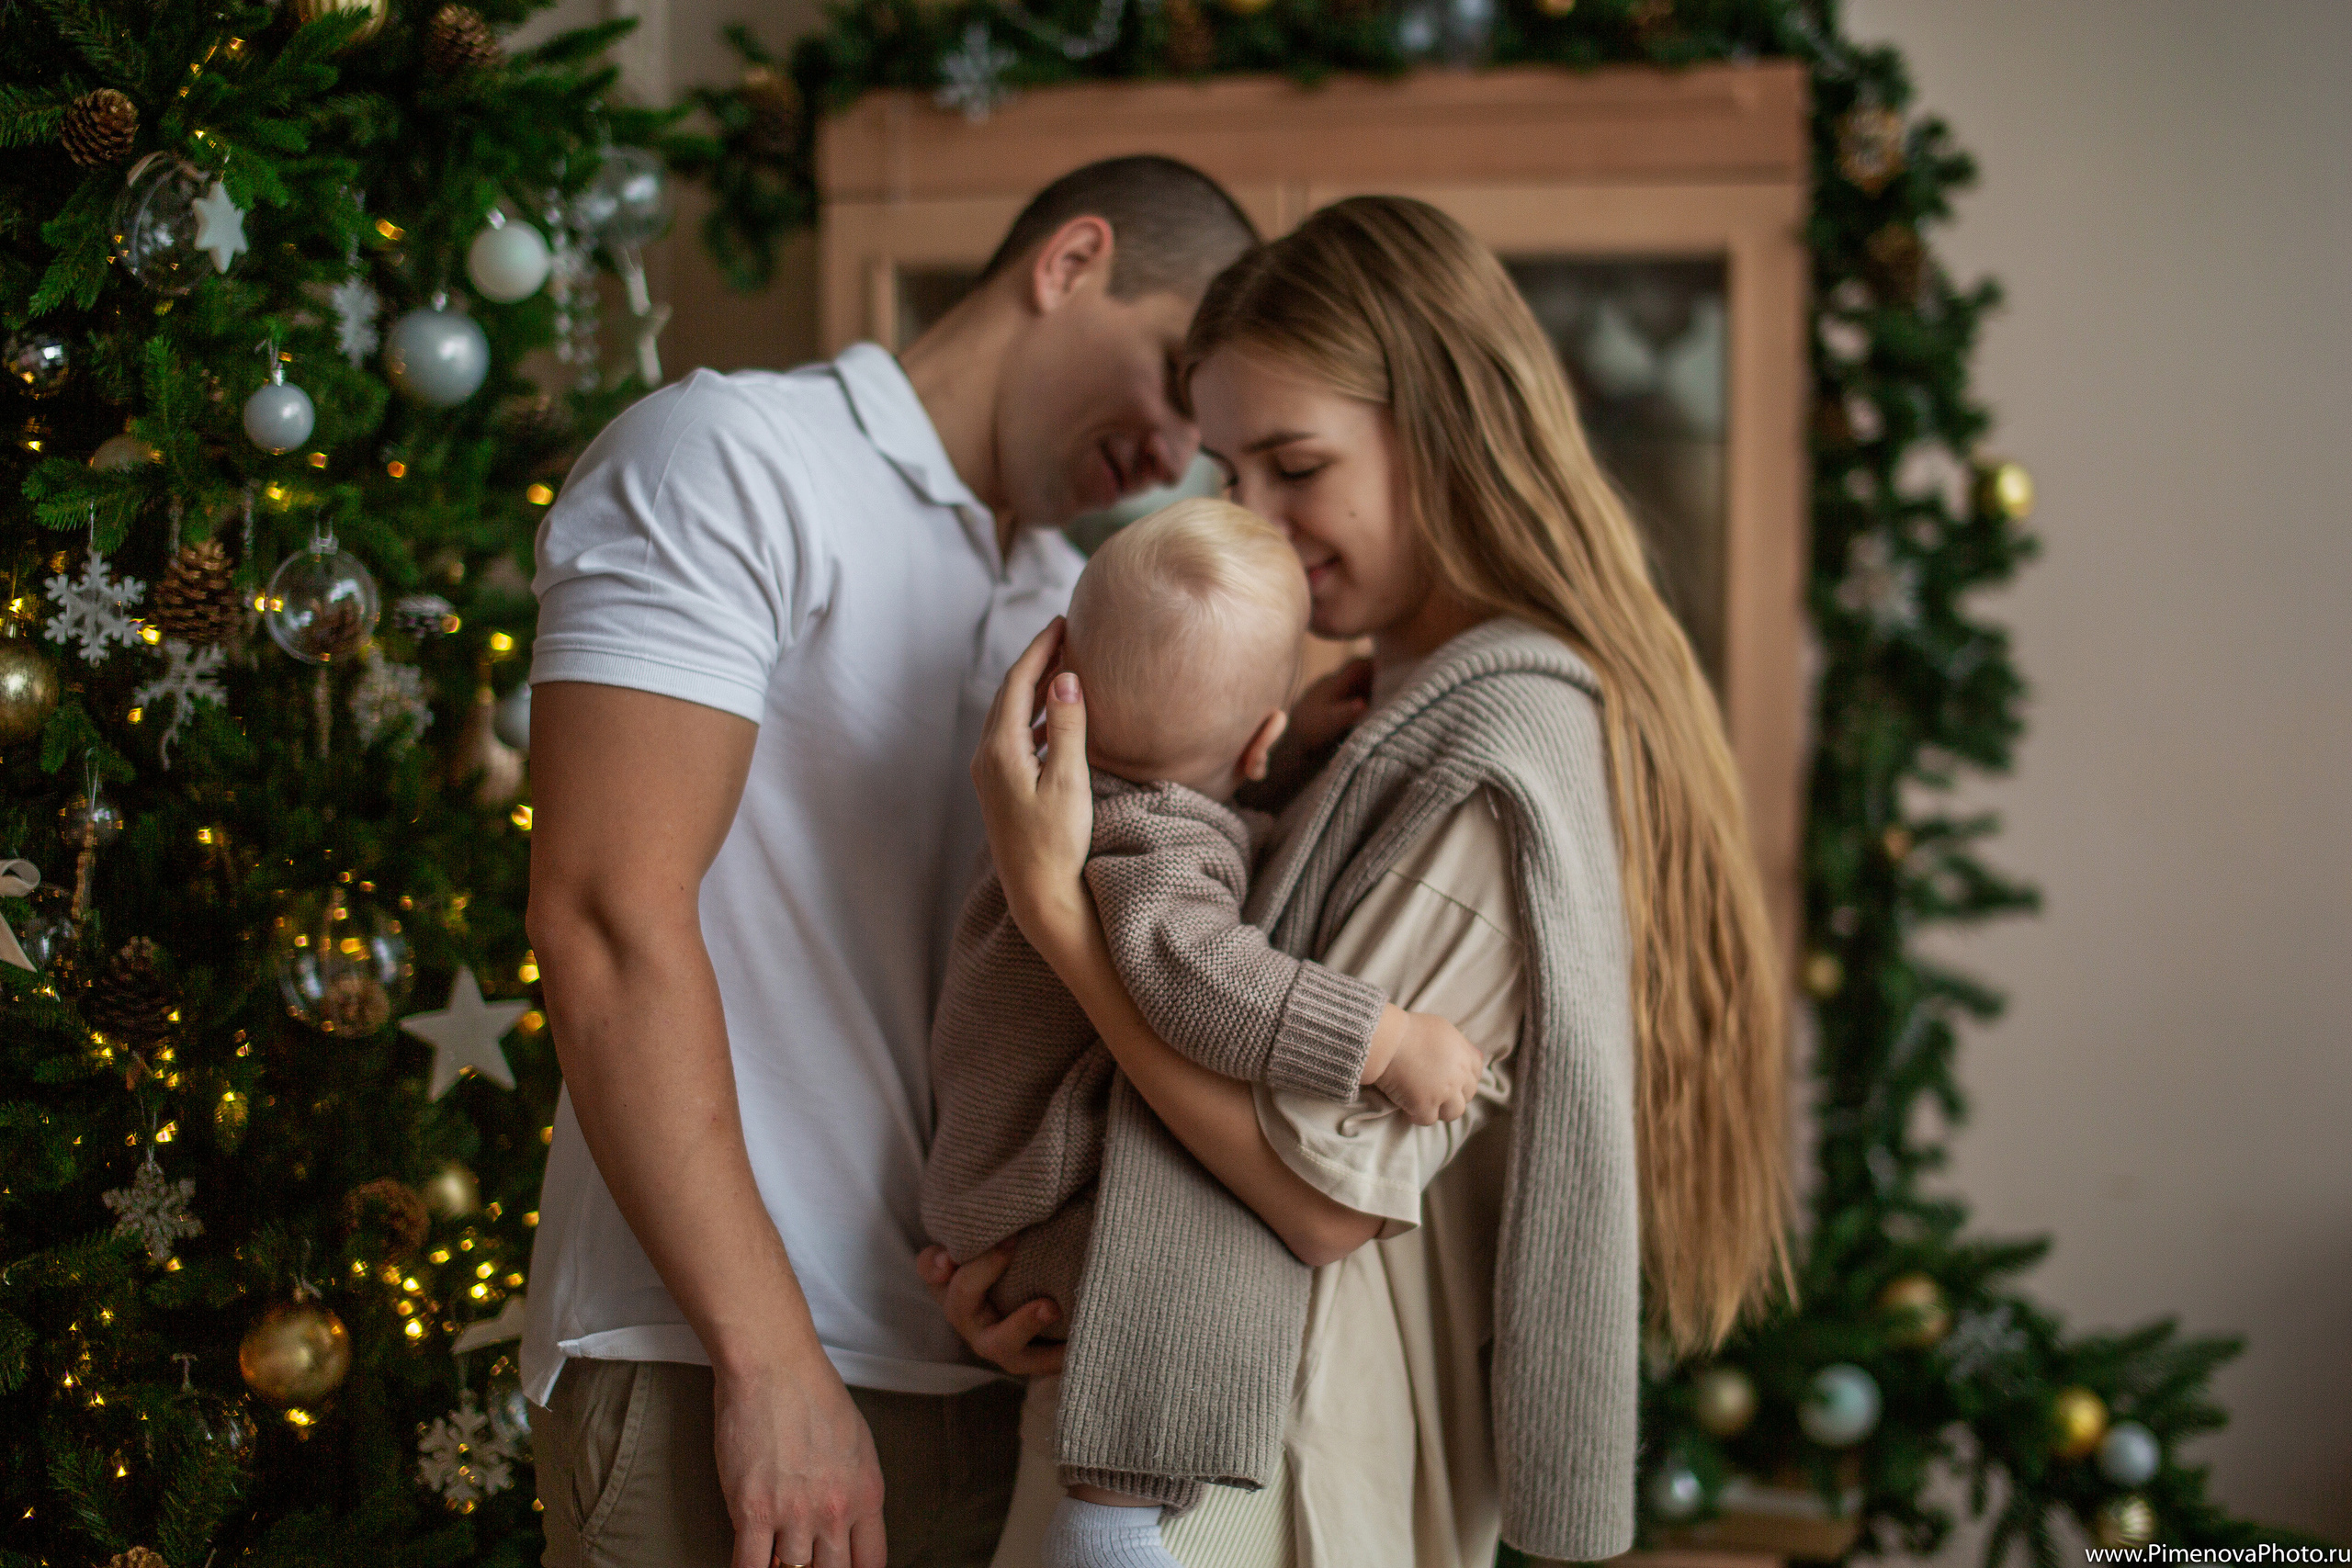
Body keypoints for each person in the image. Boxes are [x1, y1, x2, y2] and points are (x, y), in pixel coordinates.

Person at [926, 196, 1798, 1568]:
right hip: (1171, 1408)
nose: (1255, 520)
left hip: (1254, 1469)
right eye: (1228, 472)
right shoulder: (1371, 706)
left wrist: (1055, 910)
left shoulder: (1497, 745)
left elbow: (1324, 1194)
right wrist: (1047, 1259)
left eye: (1296, 463)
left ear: (1443, 433)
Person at [519, 157, 1260, 1568]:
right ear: (1070, 260)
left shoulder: (1075, 602)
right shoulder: (734, 452)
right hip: (716, 1365)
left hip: (968, 1373)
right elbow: (607, 914)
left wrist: (1000, 1263)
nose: (1176, 453)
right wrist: (772, 1363)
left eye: (1209, 436)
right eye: (1174, 375)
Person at [919, 499, 1487, 1568]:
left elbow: (1201, 804)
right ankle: (1109, 1520)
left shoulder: (1085, 802)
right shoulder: (1150, 847)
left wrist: (1283, 753)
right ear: (1260, 733)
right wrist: (1384, 1039)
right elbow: (1198, 974)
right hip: (1050, 1195)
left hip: (1008, 1175)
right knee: (1195, 1236)